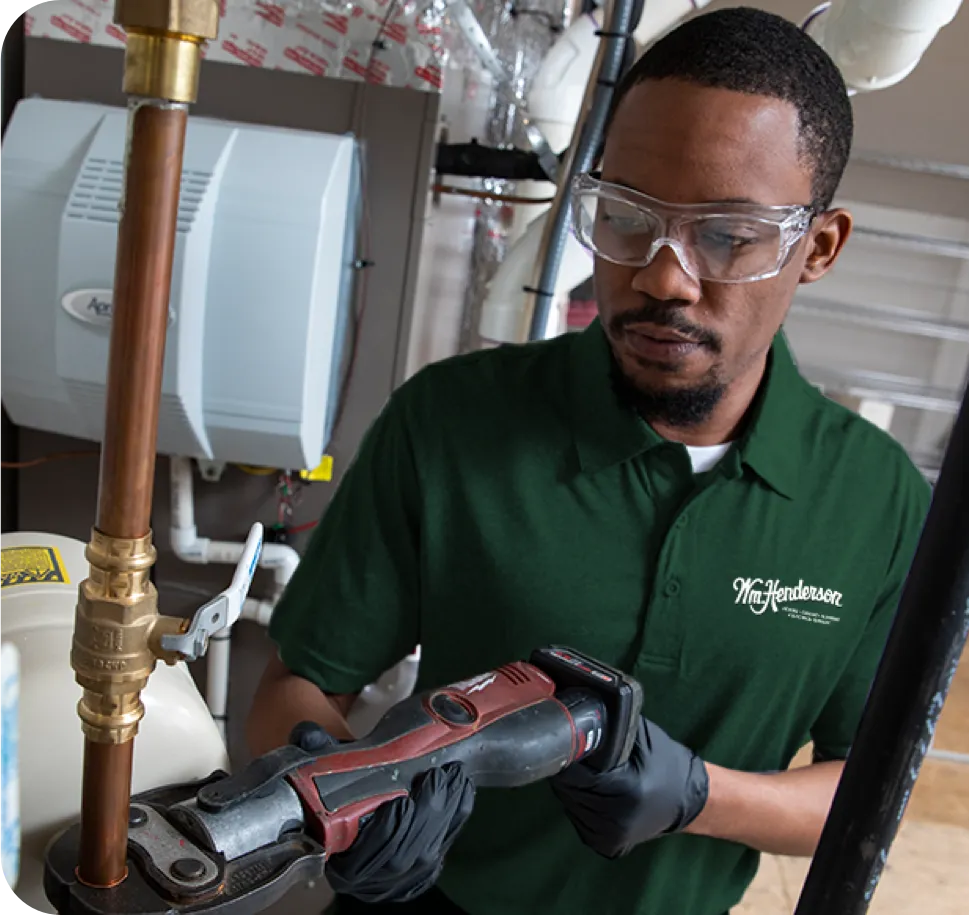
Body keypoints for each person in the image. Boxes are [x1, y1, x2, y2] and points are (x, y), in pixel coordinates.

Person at [245, 8, 933, 915]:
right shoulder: (454, 420)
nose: (662, 276)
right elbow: (292, 687)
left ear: (819, 247)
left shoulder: (874, 501)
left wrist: (698, 797)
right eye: (626, 216)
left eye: (727, 234)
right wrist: (354, 806)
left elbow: (866, 793)